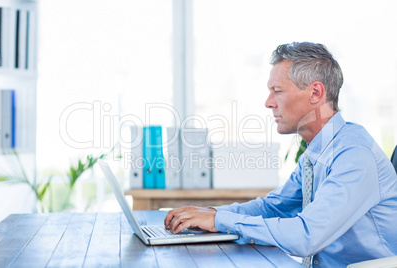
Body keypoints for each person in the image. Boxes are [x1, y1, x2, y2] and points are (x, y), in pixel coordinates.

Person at [164, 42, 397, 267]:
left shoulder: (354, 155)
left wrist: (219, 221)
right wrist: (211, 214)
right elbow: (273, 207)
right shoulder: (316, 153)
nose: (268, 103)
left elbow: (306, 236)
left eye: (277, 91)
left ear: (316, 92)